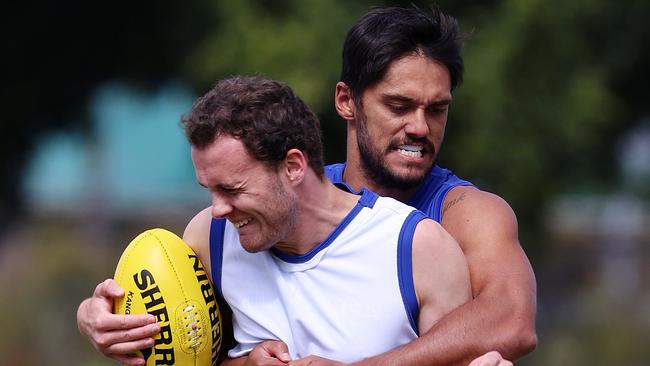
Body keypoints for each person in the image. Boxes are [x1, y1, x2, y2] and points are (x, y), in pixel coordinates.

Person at [78, 75, 509, 366]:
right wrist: (96, 318)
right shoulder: (209, 239)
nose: (218, 208)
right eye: (209, 190)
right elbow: (176, 345)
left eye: (232, 189)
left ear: (293, 167)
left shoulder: (417, 250)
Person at [240, 5, 537, 365]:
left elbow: (511, 322)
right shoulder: (294, 199)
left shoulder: (468, 213)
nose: (420, 127)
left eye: (436, 110)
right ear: (346, 101)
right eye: (399, 106)